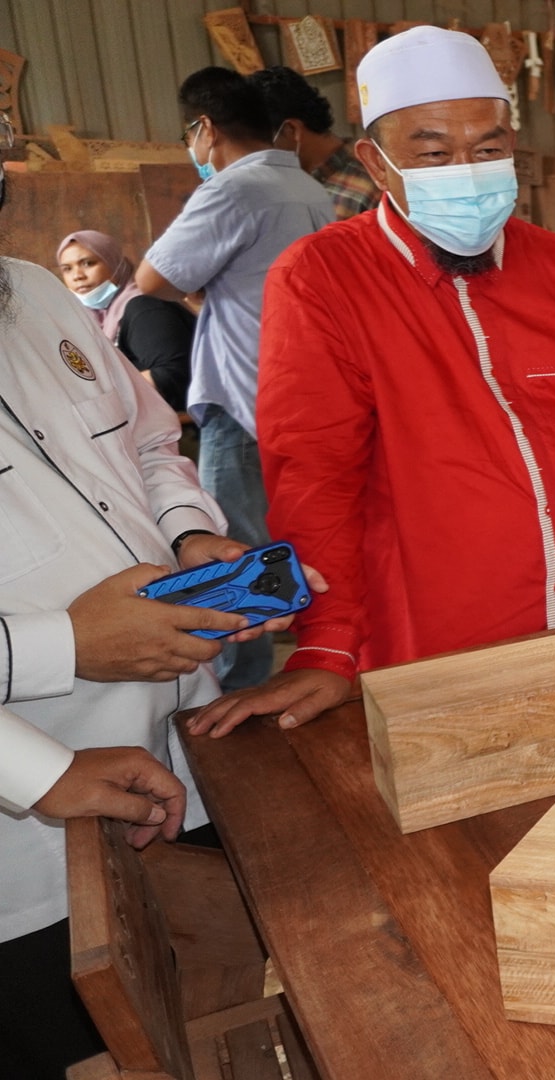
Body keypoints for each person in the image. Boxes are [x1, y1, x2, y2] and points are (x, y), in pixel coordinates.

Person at [189, 27, 555, 740]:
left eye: (489, 149)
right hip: (435, 639)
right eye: (433, 152)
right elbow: (315, 473)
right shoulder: (324, 278)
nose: (467, 170)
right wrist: (329, 643)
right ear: (376, 160)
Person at [0, 127, 309, 1074]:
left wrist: (190, 538)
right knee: (75, 1039)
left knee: (207, 989)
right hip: (29, 840)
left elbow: (147, 445)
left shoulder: (38, 291)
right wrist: (65, 651)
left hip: (180, 739)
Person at [134, 67, 334, 691]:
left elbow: (152, 280)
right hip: (293, 391)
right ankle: (296, 664)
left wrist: (205, 291)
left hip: (242, 397)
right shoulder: (306, 187)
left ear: (206, 128)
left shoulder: (233, 189)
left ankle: (237, 689)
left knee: (235, 557)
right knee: (289, 546)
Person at [56, 230, 195, 413]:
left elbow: (171, 376)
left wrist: (101, 402)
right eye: (67, 268)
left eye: (88, 263)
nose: (77, 275)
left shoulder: (144, 308)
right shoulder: (89, 321)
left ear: (115, 265)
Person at [250, 65, 380, 220]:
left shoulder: (369, 186)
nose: (252, 154)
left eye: (258, 141)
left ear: (291, 130)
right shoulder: (280, 185)